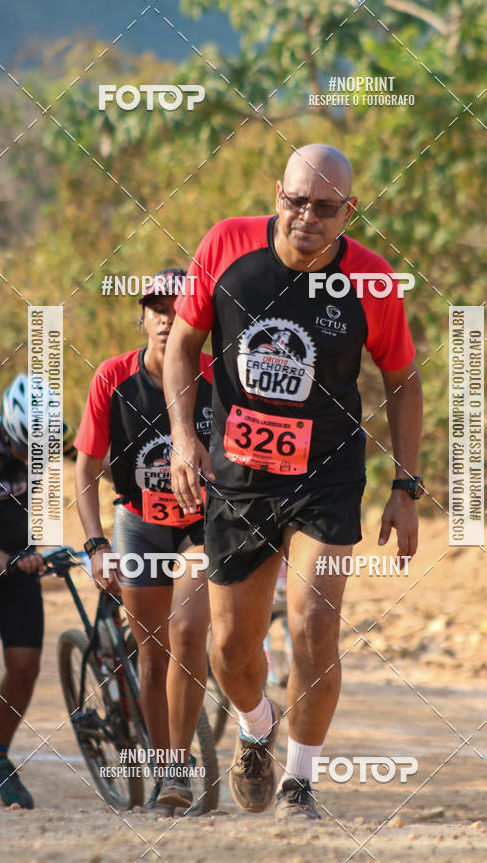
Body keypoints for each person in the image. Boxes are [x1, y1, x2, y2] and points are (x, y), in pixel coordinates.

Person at [164, 144, 424, 821]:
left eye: (325, 208)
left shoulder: (371, 279)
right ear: (277, 192)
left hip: (327, 475)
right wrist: (187, 438)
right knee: (229, 647)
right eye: (296, 201)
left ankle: (299, 784)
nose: (307, 217)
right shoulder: (225, 245)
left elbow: (403, 379)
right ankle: (257, 728)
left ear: (350, 211)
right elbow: (182, 346)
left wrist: (406, 484)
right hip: (238, 474)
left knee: (313, 625)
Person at [74, 268, 213, 815]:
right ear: (143, 317)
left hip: (202, 523)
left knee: (190, 629)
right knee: (152, 660)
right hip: (139, 522)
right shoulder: (112, 378)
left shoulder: (215, 374)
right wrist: (95, 544)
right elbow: (85, 469)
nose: (165, 319)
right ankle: (168, 774)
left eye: (176, 309)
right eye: (156, 309)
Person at [0, 374, 76, 809]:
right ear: (8, 428)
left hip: (18, 558)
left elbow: (89, 463)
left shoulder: (43, 442)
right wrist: (8, 562)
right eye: (26, 449)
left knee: (25, 667)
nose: (33, 458)